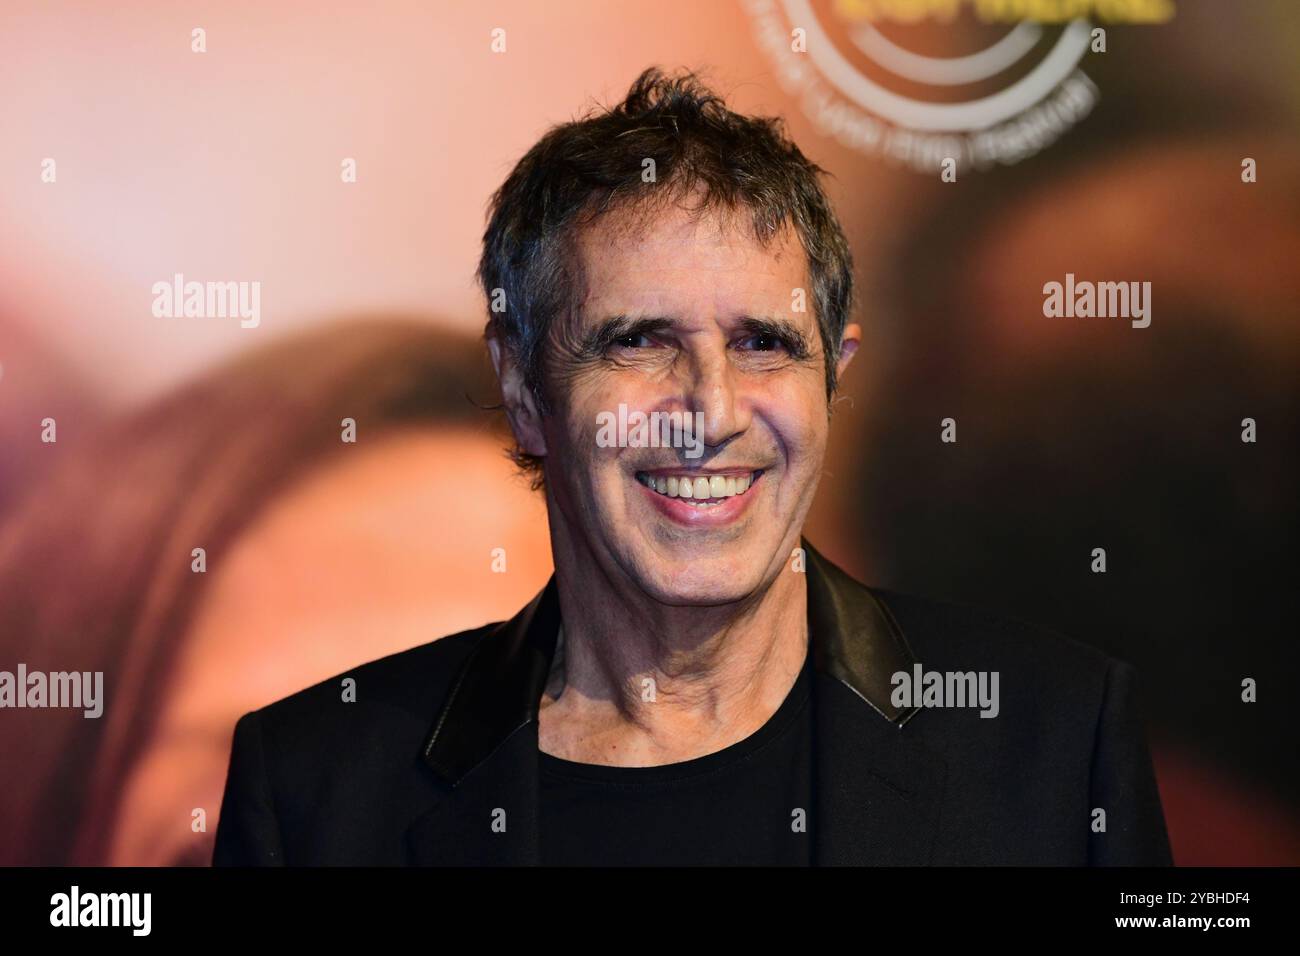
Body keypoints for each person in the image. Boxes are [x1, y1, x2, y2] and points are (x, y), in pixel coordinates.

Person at [213, 68, 1172, 866]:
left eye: (763, 344)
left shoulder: (1051, 743)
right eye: (638, 343)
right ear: (522, 385)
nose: (709, 413)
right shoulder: (318, 793)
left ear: (833, 378)